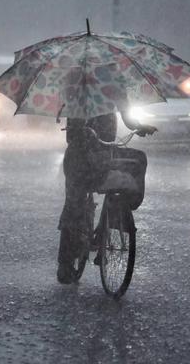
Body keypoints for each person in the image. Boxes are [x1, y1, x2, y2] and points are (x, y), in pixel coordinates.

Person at [57, 108, 156, 284]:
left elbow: (127, 117)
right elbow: (72, 133)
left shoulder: (114, 86)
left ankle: (116, 216)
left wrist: (139, 127)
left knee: (139, 159)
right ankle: (65, 264)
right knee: (74, 205)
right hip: (79, 159)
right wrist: (83, 131)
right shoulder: (77, 92)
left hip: (106, 153)